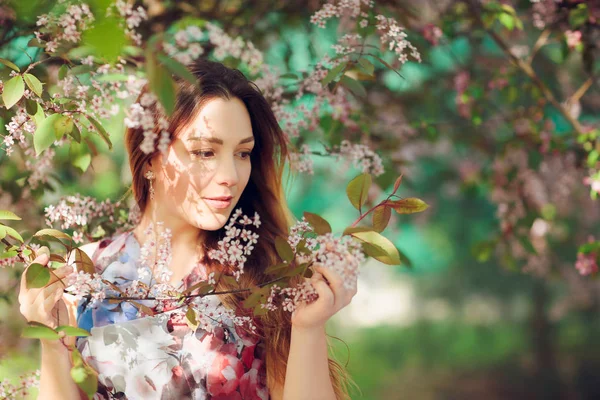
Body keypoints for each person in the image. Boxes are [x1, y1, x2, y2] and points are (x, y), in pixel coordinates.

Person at [18, 58, 358, 399]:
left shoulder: (265, 273)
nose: (231, 175)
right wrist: (50, 337)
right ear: (150, 157)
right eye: (205, 151)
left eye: (243, 153)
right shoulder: (84, 276)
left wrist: (307, 328)